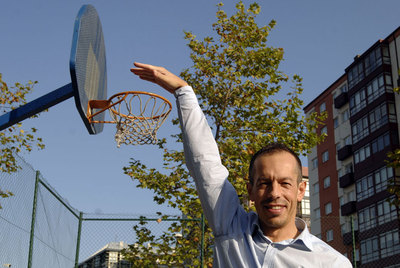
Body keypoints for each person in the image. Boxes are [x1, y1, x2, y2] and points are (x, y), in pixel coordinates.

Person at [130, 62, 353, 268]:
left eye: (285, 183)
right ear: (251, 190)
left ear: (300, 190)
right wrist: (183, 92)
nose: (275, 193)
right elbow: (205, 166)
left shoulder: (332, 263)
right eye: (265, 183)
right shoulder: (232, 227)